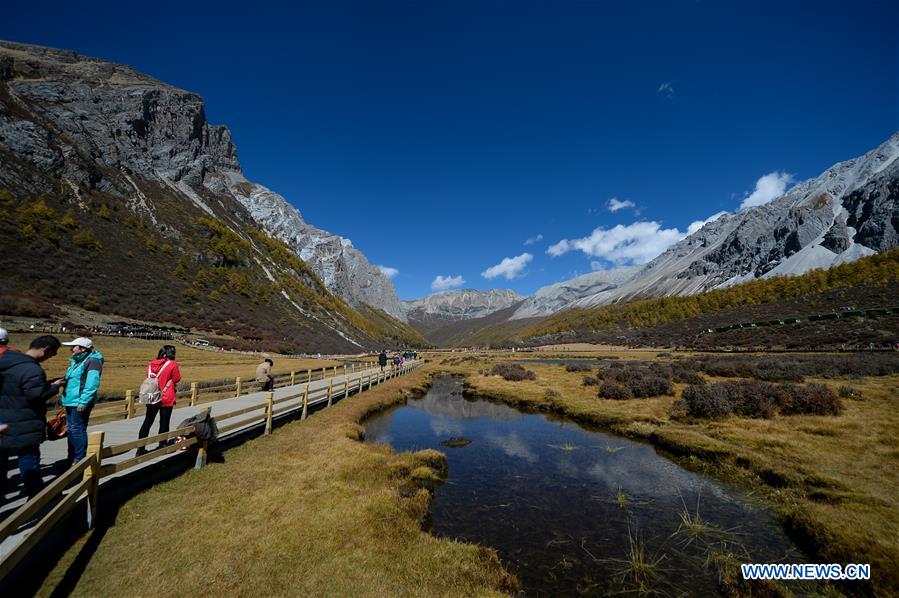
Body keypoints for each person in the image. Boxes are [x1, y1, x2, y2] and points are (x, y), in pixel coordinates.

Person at [0, 336, 64, 499]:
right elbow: (35, 396)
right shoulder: (32, 370)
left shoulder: (7, 362)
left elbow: (16, 389)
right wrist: (54, 387)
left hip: (3, 418)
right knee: (29, 459)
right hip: (25, 421)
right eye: (53, 352)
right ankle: (36, 498)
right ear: (45, 349)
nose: (53, 356)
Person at [59, 337, 104, 465]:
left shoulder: (93, 361)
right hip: (71, 400)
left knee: (77, 429)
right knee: (72, 429)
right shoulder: (78, 361)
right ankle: (72, 457)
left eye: (74, 347)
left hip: (79, 402)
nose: (71, 349)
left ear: (83, 349)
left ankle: (79, 459)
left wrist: (83, 401)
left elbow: (92, 384)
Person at [136, 345, 181, 455]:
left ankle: (140, 448)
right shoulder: (172, 364)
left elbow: (148, 376)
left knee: (148, 421)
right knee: (164, 422)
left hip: (152, 395)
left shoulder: (151, 364)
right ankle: (162, 445)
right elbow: (176, 378)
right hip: (166, 396)